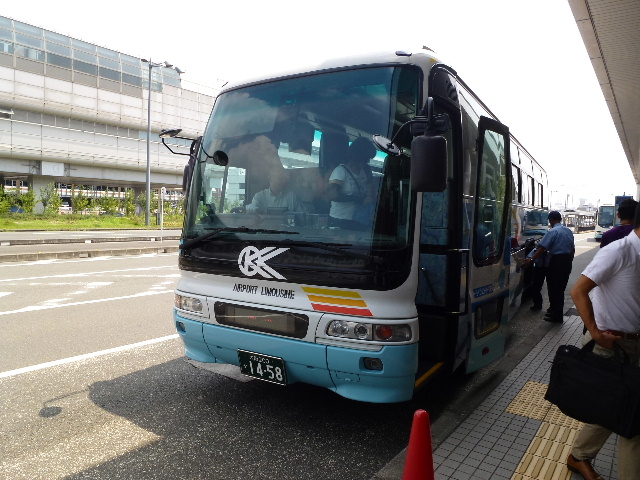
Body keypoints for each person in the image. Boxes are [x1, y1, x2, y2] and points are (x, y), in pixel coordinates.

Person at [566, 203, 640, 480]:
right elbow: (578, 291)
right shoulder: (619, 251)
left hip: (636, 344)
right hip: (616, 346)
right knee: (627, 417)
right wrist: (596, 333)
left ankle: (579, 456)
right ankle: (579, 456)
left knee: (617, 409)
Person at [523, 211, 574, 323]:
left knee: (554, 289)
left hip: (556, 262)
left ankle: (556, 316)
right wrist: (569, 260)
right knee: (560, 289)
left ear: (551, 219)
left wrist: (531, 260)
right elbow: (572, 249)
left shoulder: (553, 232)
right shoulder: (568, 231)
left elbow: (541, 248)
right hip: (567, 261)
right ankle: (556, 312)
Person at [326, 137, 376, 230]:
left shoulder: (365, 172)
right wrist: (357, 199)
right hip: (340, 221)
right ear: (358, 155)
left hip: (359, 220)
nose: (368, 161)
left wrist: (370, 177)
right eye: (366, 158)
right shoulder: (341, 171)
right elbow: (332, 195)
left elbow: (372, 193)